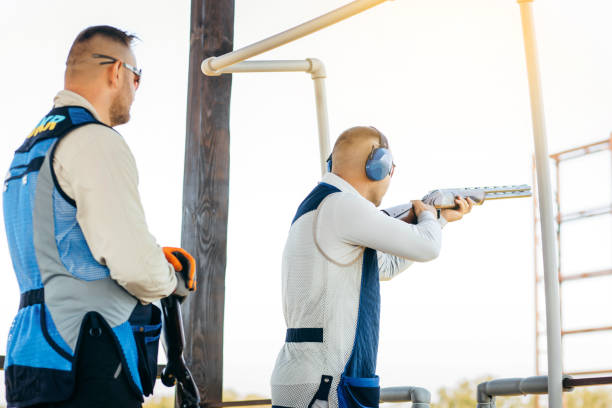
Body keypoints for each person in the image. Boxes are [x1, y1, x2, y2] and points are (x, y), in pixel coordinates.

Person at [2, 25, 196, 408]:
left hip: (32, 357)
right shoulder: (94, 140)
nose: (135, 90)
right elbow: (134, 264)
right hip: (91, 358)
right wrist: (171, 280)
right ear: (117, 72)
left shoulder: (28, 152)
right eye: (136, 78)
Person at [270, 126, 473, 408]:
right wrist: (427, 216)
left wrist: (438, 221)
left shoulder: (325, 205)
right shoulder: (343, 205)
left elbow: (385, 266)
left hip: (314, 376)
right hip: (328, 381)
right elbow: (428, 247)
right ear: (380, 166)